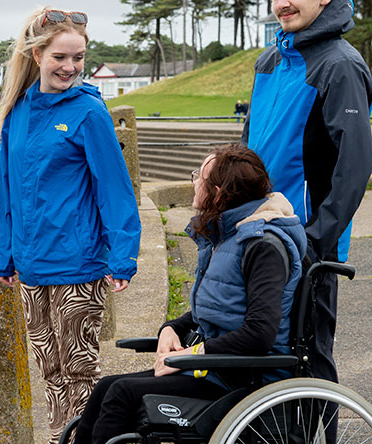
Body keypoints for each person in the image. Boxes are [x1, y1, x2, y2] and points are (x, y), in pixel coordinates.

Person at [72, 145, 306, 444]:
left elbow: (260, 334)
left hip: (242, 377)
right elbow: (216, 308)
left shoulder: (262, 246)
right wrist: (172, 327)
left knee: (121, 394)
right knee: (107, 386)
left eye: (200, 178)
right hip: (214, 368)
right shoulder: (229, 234)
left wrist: (189, 355)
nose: (194, 182)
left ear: (218, 194)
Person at [0, 6, 142, 444]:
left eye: (78, 58)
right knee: (50, 372)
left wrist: (122, 256)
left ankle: (84, 439)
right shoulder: (17, 112)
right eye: (60, 57)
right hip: (31, 268)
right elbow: (7, 189)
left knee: (81, 371)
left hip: (78, 265)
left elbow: (114, 188)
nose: (70, 67)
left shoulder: (88, 112)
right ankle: (66, 438)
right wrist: (3, 254)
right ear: (36, 55)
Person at [240, 0, 372, 440]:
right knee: (259, 355)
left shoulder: (340, 65)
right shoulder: (271, 59)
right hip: (255, 234)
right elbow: (251, 149)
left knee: (307, 359)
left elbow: (354, 166)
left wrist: (318, 236)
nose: (281, 3)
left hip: (307, 243)